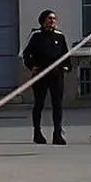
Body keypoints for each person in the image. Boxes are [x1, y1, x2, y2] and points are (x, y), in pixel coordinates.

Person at [21, 10, 71, 145]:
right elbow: (26, 54)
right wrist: (32, 66)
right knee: (39, 104)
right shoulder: (36, 36)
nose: (52, 21)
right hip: (41, 75)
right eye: (49, 18)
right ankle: (37, 132)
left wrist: (66, 66)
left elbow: (65, 55)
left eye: (54, 19)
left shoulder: (60, 36)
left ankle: (57, 133)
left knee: (58, 105)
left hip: (56, 75)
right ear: (43, 20)